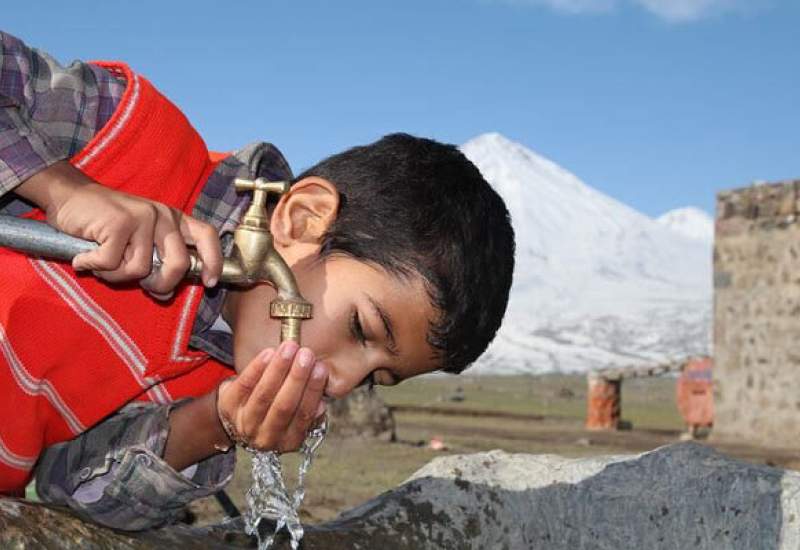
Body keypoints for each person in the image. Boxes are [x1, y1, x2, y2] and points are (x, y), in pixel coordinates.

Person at [0, 30, 515, 529]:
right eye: (361, 328)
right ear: (303, 219)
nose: (339, 383)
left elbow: (69, 490)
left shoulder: (211, 379)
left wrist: (214, 421)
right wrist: (61, 188)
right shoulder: (125, 138)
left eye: (371, 378)